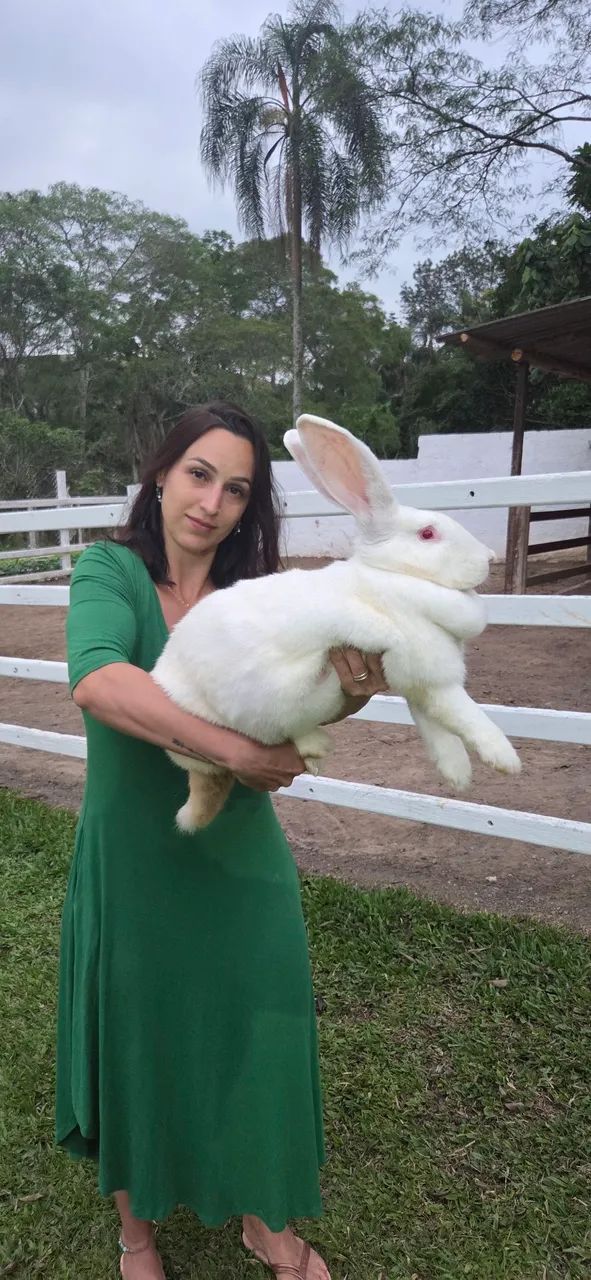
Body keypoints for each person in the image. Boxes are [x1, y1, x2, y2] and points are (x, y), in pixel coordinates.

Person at [55, 401, 387, 1280]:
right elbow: (99, 679)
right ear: (162, 473)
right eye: (198, 474)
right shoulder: (110, 571)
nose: (212, 501)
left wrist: (347, 695)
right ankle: (137, 1232)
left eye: (236, 488)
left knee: (261, 1027)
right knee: (140, 1033)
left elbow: (296, 716)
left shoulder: (256, 602)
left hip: (240, 854)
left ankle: (264, 1219)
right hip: (135, 856)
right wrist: (239, 753)